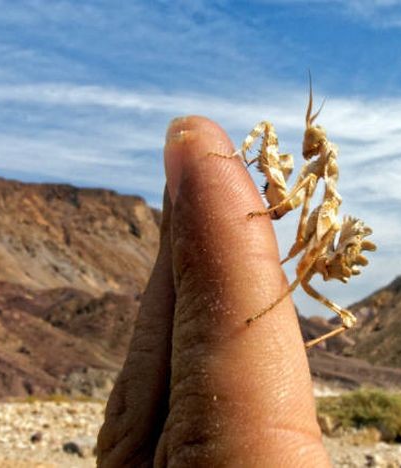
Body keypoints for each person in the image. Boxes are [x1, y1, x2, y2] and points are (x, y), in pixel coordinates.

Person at [96, 116, 331, 467]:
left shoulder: (321, 191)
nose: (306, 144)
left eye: (313, 140)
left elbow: (298, 215)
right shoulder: (309, 178)